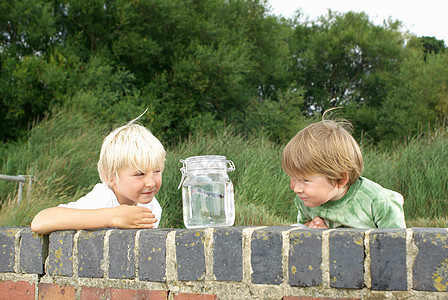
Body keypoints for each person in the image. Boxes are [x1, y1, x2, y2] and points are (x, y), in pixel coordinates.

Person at [31, 114, 166, 234]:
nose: (151, 183)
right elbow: (40, 221)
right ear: (110, 177)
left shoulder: (152, 206)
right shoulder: (104, 198)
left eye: (156, 171)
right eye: (139, 174)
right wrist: (113, 217)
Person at [281, 116, 406, 229]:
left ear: (340, 179)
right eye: (293, 177)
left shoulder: (378, 203)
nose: (297, 188)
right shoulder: (306, 198)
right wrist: (313, 229)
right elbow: (306, 223)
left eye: (305, 180)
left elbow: (395, 246)